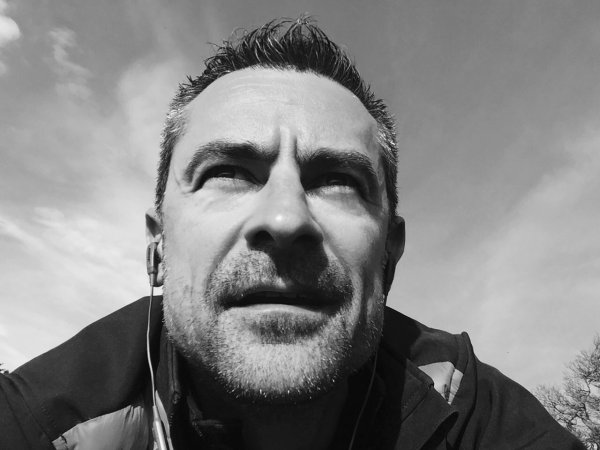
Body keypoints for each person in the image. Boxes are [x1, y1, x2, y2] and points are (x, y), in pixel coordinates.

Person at [0, 17, 584, 450]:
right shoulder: (39, 425)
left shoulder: (469, 408)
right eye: (228, 173)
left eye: (337, 181)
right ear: (158, 245)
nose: (285, 220)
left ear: (390, 253)